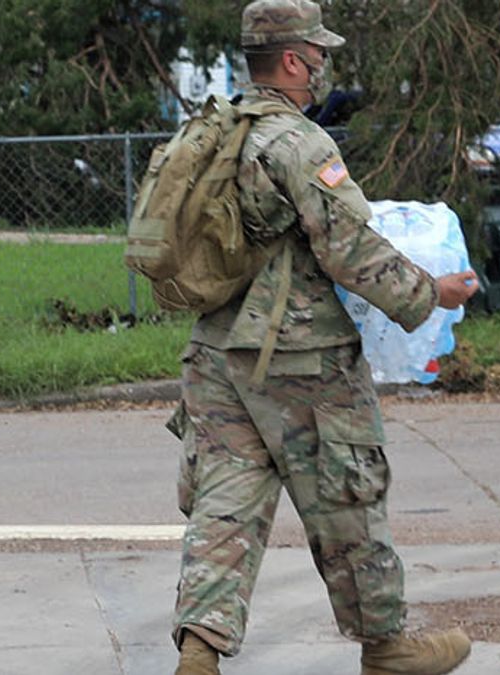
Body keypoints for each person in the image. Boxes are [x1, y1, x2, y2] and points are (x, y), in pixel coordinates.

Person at [169, 2, 481, 674]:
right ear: (291, 60)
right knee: (348, 495)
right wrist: (434, 293)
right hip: (299, 355)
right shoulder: (299, 142)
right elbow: (351, 250)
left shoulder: (217, 131)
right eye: (317, 56)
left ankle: (199, 654)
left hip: (217, 352)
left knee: (225, 506)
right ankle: (388, 645)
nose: (321, 69)